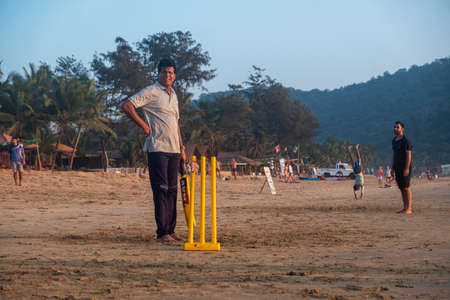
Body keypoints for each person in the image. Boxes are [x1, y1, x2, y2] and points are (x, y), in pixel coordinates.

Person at [122, 58, 186, 243]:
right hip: (157, 148)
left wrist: (182, 148)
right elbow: (127, 106)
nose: (168, 75)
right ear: (158, 73)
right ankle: (162, 233)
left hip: (174, 149)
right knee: (161, 190)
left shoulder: (173, 94)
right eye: (165, 72)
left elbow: (176, 123)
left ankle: (171, 230)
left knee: (173, 190)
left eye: (171, 72)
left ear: (175, 76)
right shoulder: (151, 91)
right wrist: (144, 126)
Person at [391, 121, 413, 214]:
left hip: (404, 167)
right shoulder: (394, 140)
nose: (395, 128)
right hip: (397, 167)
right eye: (395, 127)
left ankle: (409, 208)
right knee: (401, 188)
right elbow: (393, 155)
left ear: (402, 129)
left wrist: (407, 168)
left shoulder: (406, 141)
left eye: (397, 127)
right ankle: (404, 207)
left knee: (406, 187)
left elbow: (409, 155)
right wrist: (392, 168)